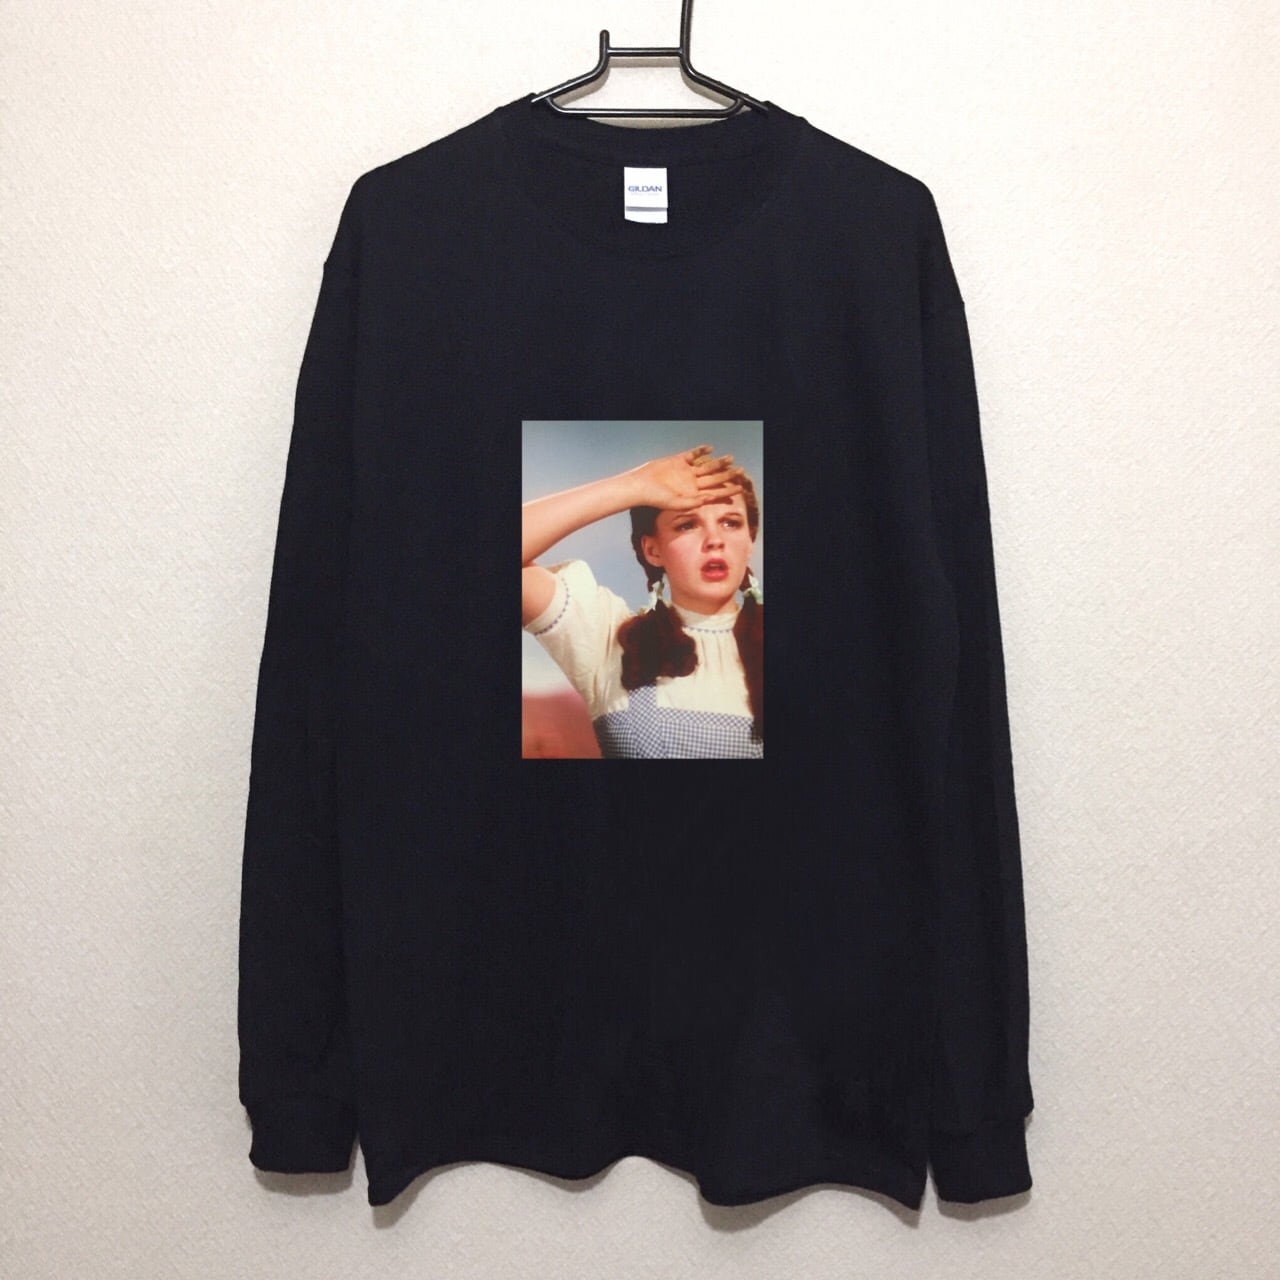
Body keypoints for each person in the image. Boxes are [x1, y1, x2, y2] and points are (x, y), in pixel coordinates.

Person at [522, 443, 763, 759]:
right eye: (688, 524)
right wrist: (635, 485)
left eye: (731, 522)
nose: (715, 540)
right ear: (652, 550)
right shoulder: (609, 640)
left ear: (750, 541)